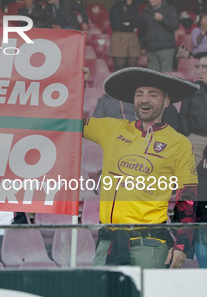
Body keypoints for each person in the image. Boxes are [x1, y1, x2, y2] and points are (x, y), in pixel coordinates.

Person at [84, 67, 199, 269]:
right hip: (108, 243)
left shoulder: (179, 143)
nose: (144, 100)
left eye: (153, 95)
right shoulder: (111, 129)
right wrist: (78, 84)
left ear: (166, 101)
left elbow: (187, 196)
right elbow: (67, 122)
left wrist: (181, 245)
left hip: (150, 246)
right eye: (139, 94)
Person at [139, 0, 179, 72]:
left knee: (166, 76)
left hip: (166, 48)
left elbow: (175, 25)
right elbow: (141, 31)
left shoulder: (170, 9)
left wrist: (162, 19)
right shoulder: (146, 12)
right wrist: (142, 47)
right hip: (151, 49)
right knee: (153, 78)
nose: (151, 0)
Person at [179, 57, 207, 165]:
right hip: (196, 137)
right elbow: (183, 113)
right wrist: (188, 135)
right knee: (196, 174)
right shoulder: (192, 88)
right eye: (198, 66)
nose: (200, 69)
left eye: (204, 66)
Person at [109, 0, 141, 71]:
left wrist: (127, 24)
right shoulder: (114, 9)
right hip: (119, 38)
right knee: (120, 70)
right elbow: (117, 25)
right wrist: (131, 26)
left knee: (132, 69)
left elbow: (139, 23)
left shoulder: (132, 9)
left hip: (132, 38)